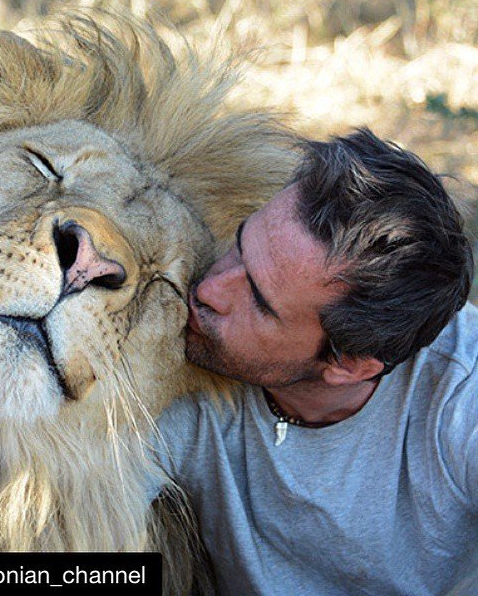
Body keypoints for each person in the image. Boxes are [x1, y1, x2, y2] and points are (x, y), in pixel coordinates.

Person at [152, 127, 477, 595]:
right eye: (240, 245)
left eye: (260, 302)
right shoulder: (180, 358)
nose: (206, 290)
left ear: (349, 364)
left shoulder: (461, 394)